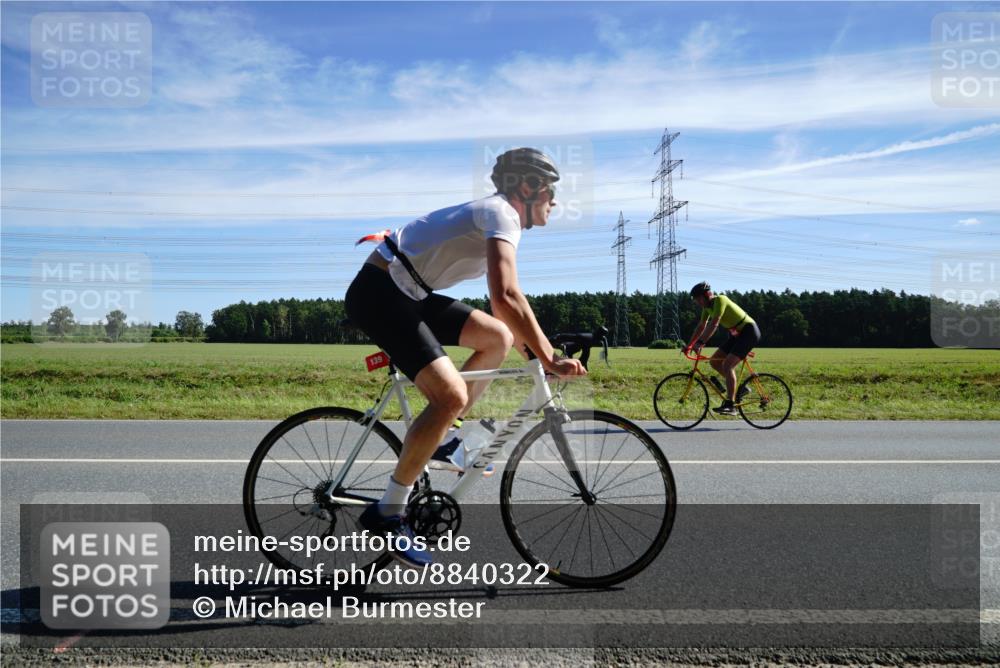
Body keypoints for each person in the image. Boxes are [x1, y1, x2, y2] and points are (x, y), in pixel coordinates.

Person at [344, 147, 587, 567]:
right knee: (451, 394)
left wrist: (537, 352)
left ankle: (442, 437)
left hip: (410, 292)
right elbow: (505, 294)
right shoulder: (501, 213)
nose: (554, 200)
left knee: (498, 337)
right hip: (379, 293)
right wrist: (547, 357)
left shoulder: (504, 220)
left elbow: (507, 309)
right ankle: (389, 509)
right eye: (550, 190)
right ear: (526, 187)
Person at [685, 282, 761, 416]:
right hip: (736, 335)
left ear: (707, 295)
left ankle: (731, 405)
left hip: (749, 332)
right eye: (695, 300)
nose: (697, 302)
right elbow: (701, 326)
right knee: (714, 361)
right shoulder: (707, 308)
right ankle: (741, 389)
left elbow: (714, 324)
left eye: (698, 299)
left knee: (727, 365)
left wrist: (701, 342)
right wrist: (690, 345)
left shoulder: (720, 300)